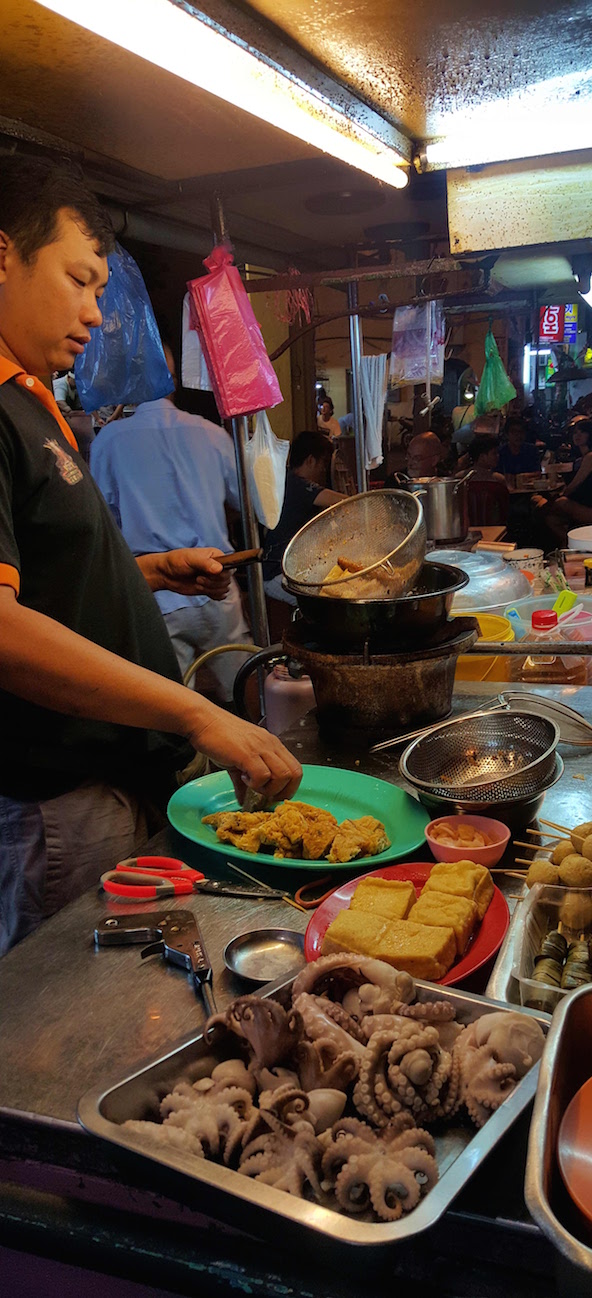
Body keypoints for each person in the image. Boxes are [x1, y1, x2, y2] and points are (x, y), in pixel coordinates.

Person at [0, 156, 301, 956]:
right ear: (2, 256)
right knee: (65, 1043)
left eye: (101, 289)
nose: (97, 314)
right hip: (57, 801)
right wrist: (198, 712)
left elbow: (39, 582)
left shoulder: (27, 404)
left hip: (104, 782)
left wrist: (148, 573)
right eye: (79, 280)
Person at [90, 344, 251, 704]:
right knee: (244, 698)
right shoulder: (212, 433)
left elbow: (104, 522)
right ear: (173, 380)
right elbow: (245, 502)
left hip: (157, 597)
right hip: (217, 583)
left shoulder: (110, 442)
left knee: (176, 714)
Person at [262, 429, 345, 605]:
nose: (324, 469)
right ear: (310, 460)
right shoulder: (294, 483)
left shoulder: (286, 479)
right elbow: (341, 501)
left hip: (290, 570)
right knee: (326, 603)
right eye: (323, 463)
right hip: (276, 574)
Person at [537, 419, 592, 545]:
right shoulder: (581, 458)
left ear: (590, 435)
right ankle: (570, 545)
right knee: (551, 519)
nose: (577, 436)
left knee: (558, 503)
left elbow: (574, 485)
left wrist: (561, 495)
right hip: (585, 505)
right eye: (575, 433)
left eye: (582, 432)